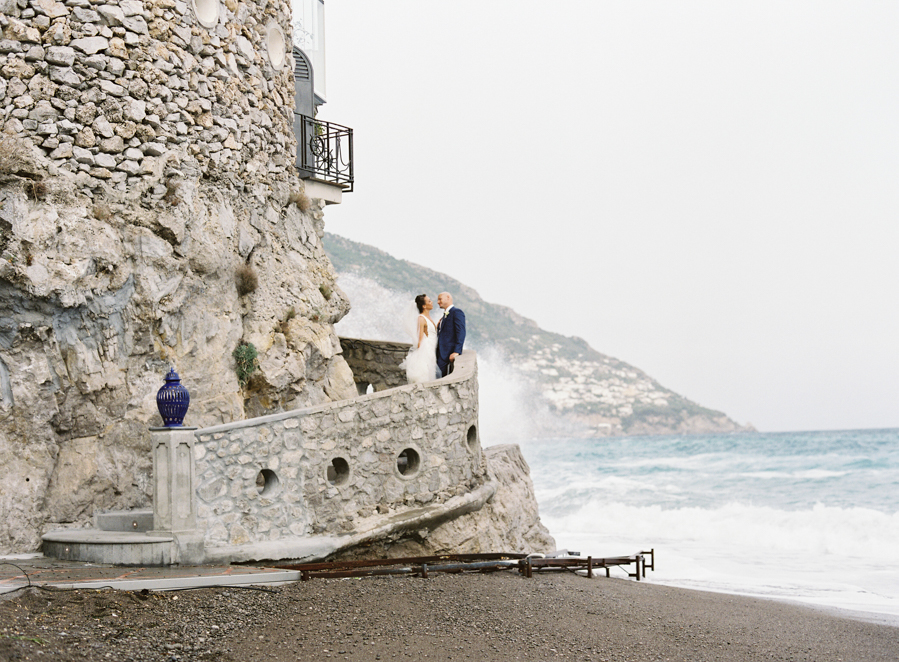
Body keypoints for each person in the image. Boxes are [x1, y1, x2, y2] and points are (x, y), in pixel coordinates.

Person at [399, 294, 438, 384]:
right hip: (426, 349)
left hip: (432, 348)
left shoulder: (429, 317)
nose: (432, 302)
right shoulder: (421, 318)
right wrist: (420, 354)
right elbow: (420, 338)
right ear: (424, 306)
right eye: (429, 301)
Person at [436, 292, 465, 377]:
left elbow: (461, 332)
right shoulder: (444, 315)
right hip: (440, 353)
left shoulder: (456, 312)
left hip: (446, 354)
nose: (438, 302)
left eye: (440, 299)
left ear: (448, 298)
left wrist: (457, 351)